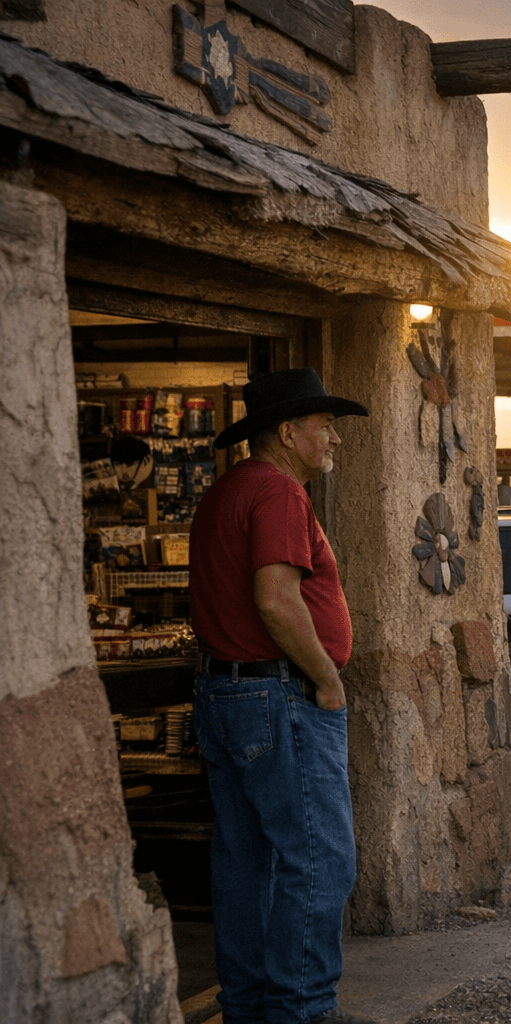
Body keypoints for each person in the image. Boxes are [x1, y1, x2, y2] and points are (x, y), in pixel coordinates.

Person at [189, 367, 373, 1024]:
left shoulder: (227, 492)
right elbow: (276, 599)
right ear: (289, 431)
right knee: (322, 859)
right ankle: (301, 1011)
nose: (334, 439)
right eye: (325, 425)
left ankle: (248, 1008)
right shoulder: (278, 493)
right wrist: (326, 677)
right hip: (279, 697)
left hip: (225, 694)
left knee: (246, 862)